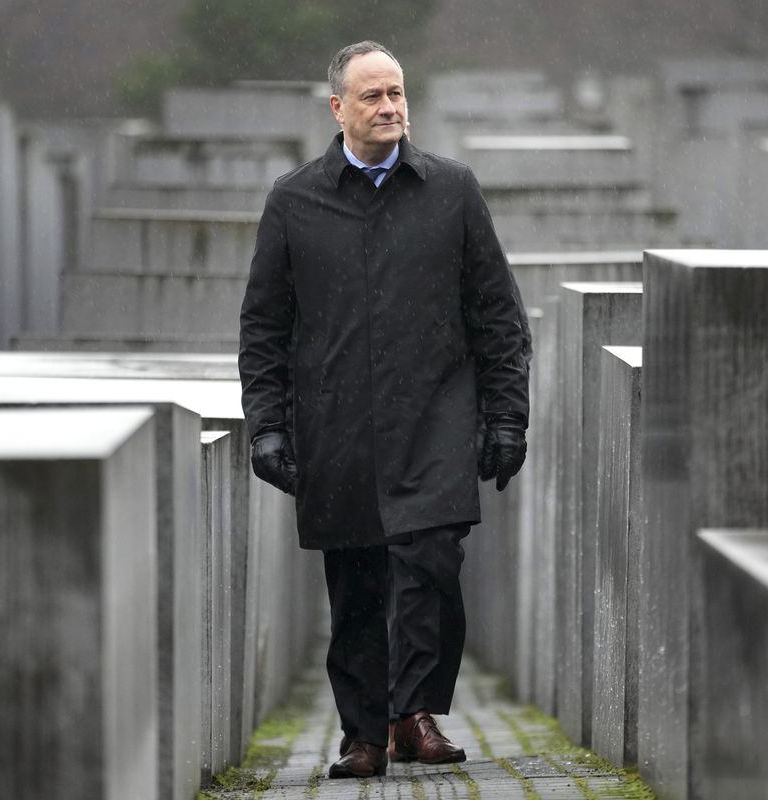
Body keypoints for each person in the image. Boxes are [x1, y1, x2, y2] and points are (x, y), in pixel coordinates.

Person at [238, 40, 530, 780]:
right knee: (358, 578)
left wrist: (506, 417)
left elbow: (497, 314)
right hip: (337, 423)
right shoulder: (294, 200)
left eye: (397, 93)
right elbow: (265, 326)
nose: (390, 106)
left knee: (430, 560)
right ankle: (364, 733)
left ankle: (415, 711)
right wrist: (267, 423)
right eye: (372, 96)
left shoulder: (453, 190)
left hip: (434, 415)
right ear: (337, 108)